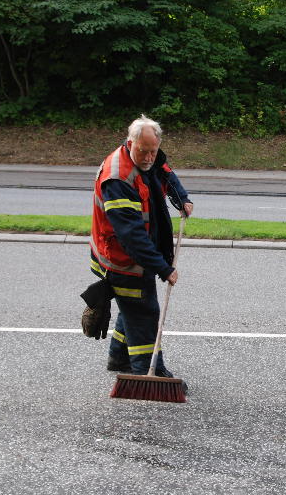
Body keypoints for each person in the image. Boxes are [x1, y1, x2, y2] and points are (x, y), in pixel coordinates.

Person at [87, 114, 193, 379]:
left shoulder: (150, 160)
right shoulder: (118, 179)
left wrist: (181, 198)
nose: (148, 158)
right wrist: (163, 268)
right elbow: (131, 235)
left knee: (132, 307)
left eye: (152, 151)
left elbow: (163, 170)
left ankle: (119, 359)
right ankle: (150, 370)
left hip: (137, 256)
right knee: (144, 311)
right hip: (122, 261)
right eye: (143, 151)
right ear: (130, 142)